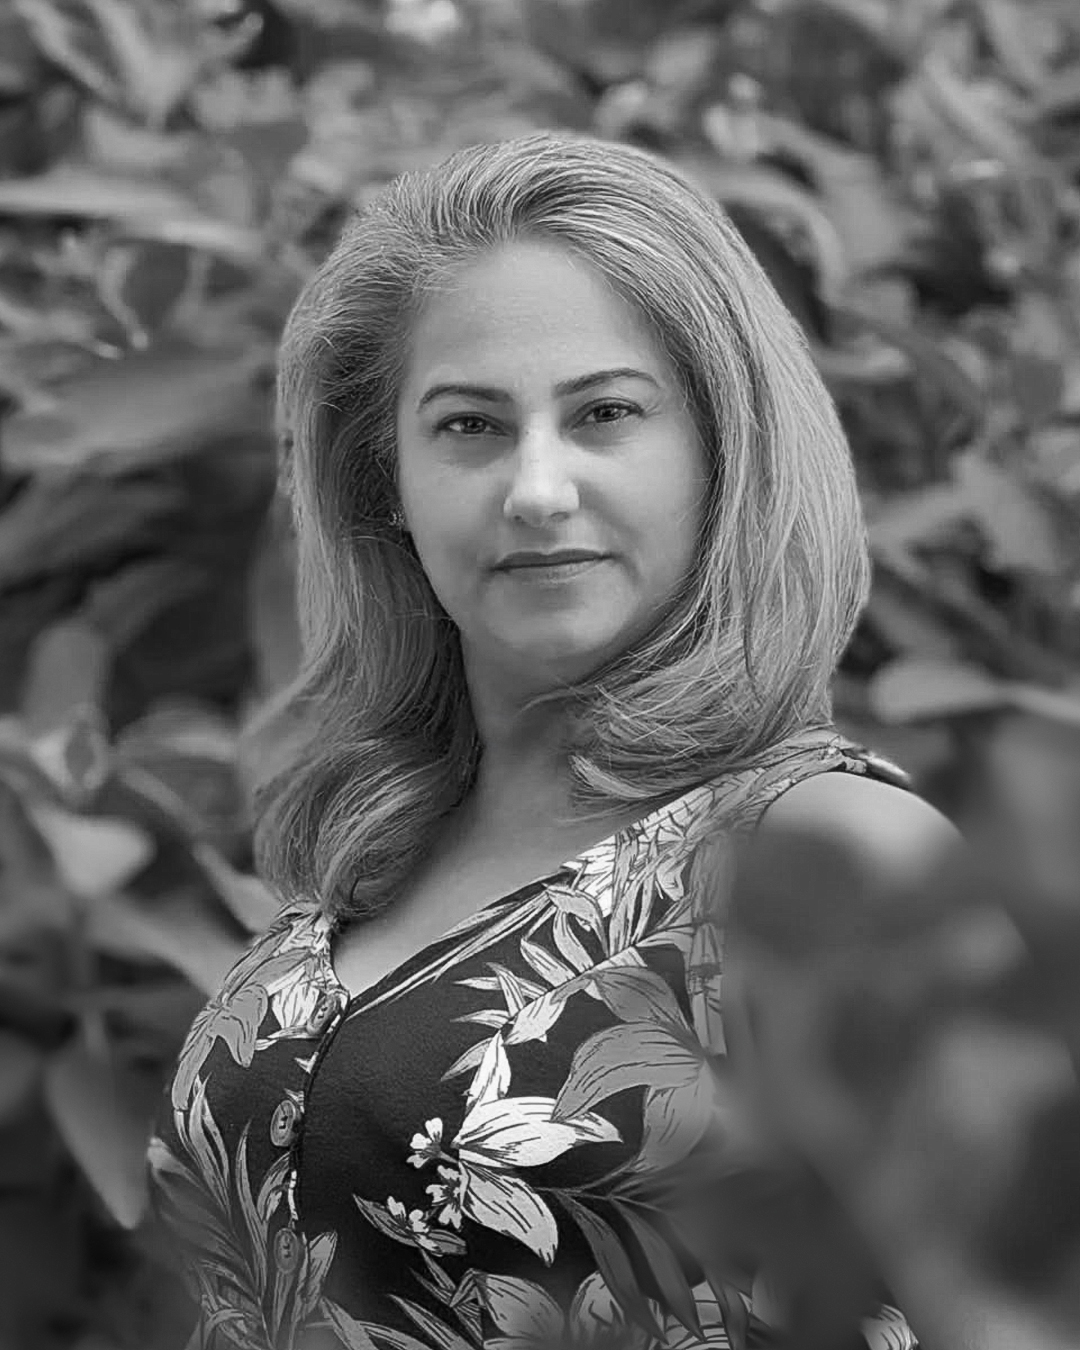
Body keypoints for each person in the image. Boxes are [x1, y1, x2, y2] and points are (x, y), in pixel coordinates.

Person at [147, 130, 960, 1350]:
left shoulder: (834, 858)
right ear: (385, 483)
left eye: (605, 414)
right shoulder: (375, 864)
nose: (537, 488)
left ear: (723, 451)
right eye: (470, 426)